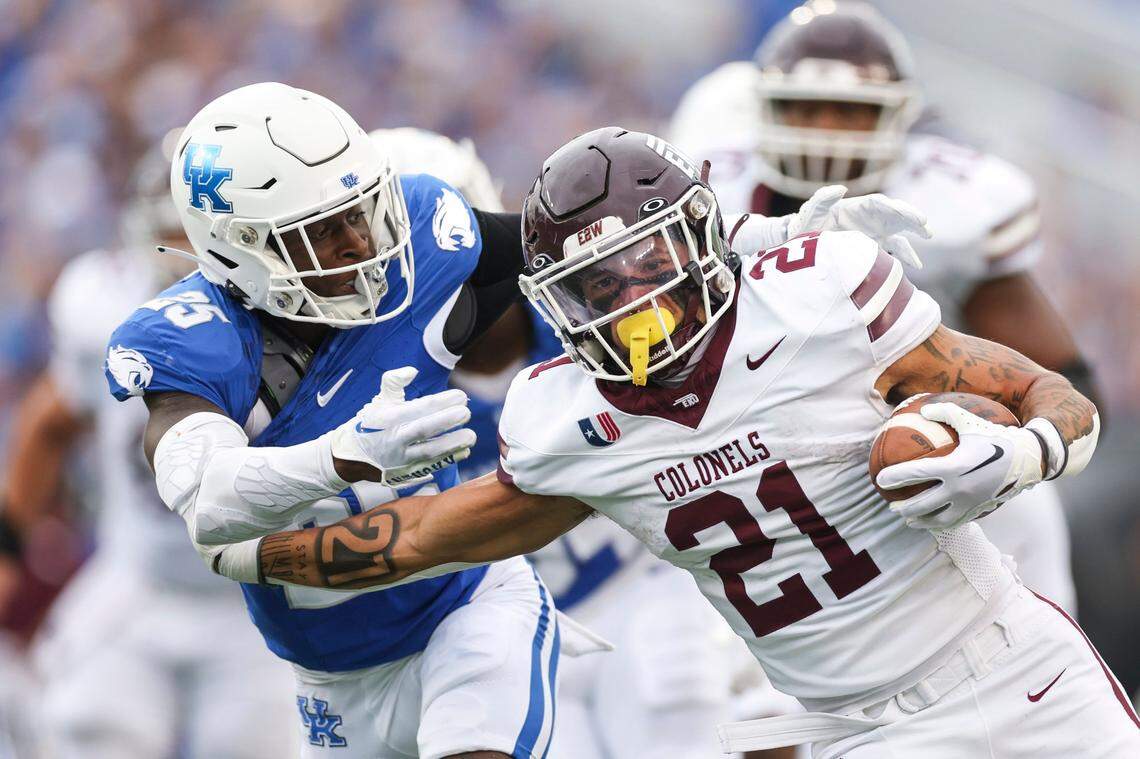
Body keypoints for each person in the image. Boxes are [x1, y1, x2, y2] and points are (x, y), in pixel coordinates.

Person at [233, 127, 1134, 758]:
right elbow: (427, 535)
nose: (629, 305)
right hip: (859, 730)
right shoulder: (567, 419)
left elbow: (1045, 392)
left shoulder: (821, 297)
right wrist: (254, 548)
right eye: (594, 288)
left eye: (646, 268)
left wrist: (1025, 454)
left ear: (704, 240)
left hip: (1013, 667)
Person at [102, 83, 567, 759]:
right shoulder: (196, 338)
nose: (361, 242)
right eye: (323, 230)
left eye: (362, 211)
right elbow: (206, 500)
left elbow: (560, 240)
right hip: (330, 682)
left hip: (465, 612)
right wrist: (339, 456)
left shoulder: (420, 237)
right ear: (243, 249)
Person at [668, 0, 1099, 613]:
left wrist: (1004, 442)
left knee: (1036, 623)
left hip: (926, 440)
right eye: (802, 108)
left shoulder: (956, 206)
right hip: (760, 465)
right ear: (760, 110)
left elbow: (1061, 375)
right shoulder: (708, 193)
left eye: (850, 112)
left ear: (901, 117)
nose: (824, 129)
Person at [379, 127, 743, 759]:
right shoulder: (380, 384)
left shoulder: (588, 306)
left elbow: (695, 274)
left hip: (642, 583)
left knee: (681, 695)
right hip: (500, 618)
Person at [1, 145, 297, 758]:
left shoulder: (292, 313)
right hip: (135, 585)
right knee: (92, 733)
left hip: (258, 600)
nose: (186, 255)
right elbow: (49, 423)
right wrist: (7, 547)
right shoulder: (105, 304)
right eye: (171, 233)